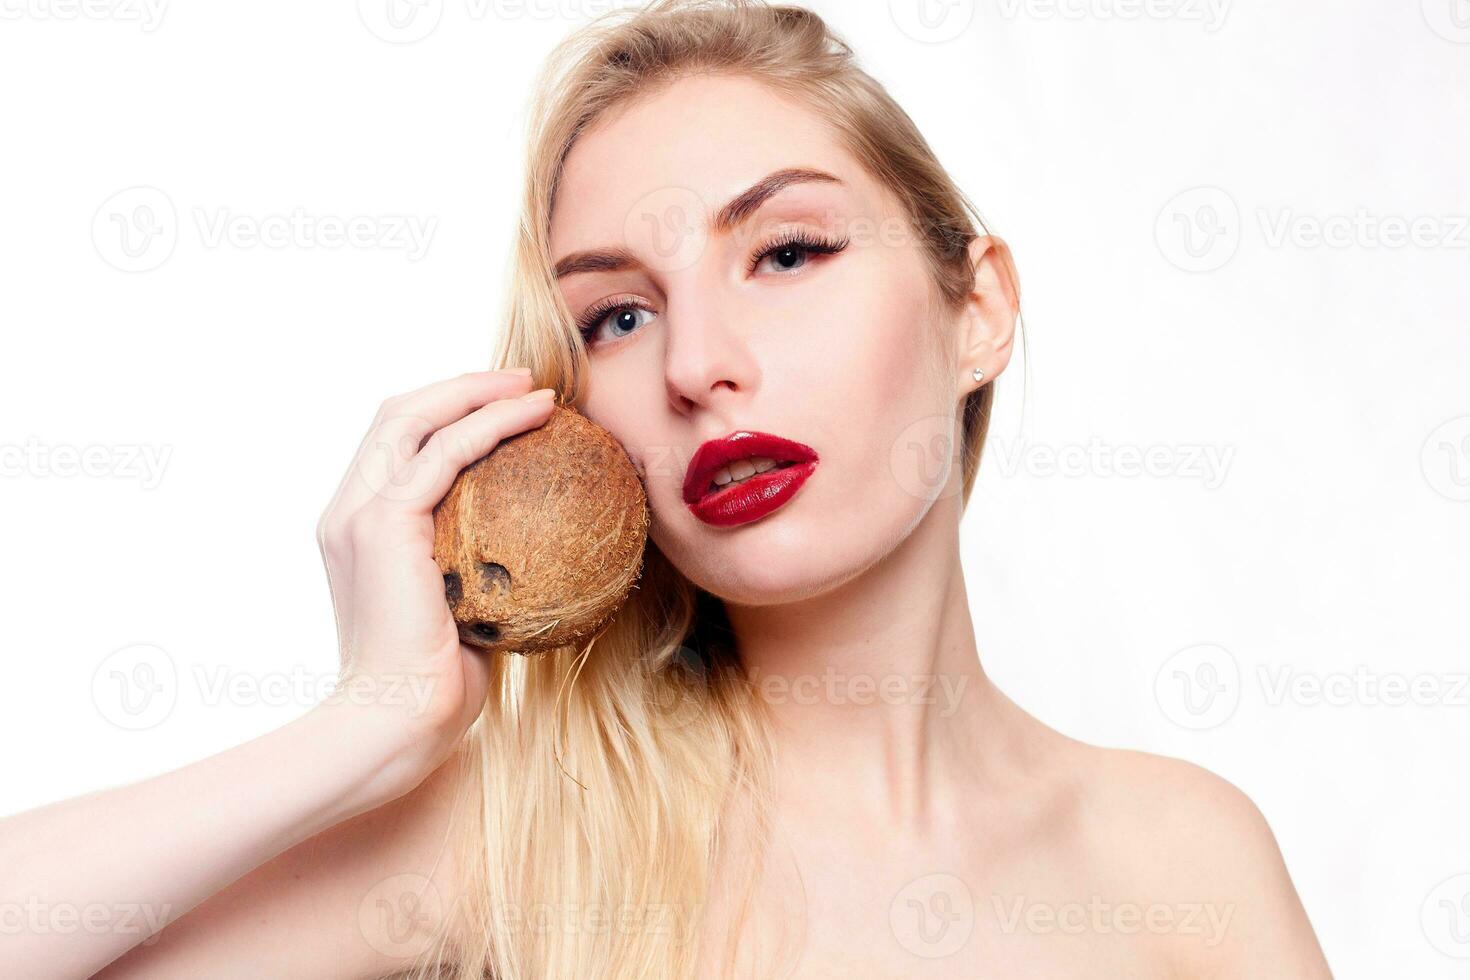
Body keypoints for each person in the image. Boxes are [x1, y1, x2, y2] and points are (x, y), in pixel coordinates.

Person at [1, 1, 1333, 977]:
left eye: (789, 250)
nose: (698, 365)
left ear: (974, 308)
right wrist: (371, 722)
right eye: (617, 320)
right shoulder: (511, 839)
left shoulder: (1185, 858)